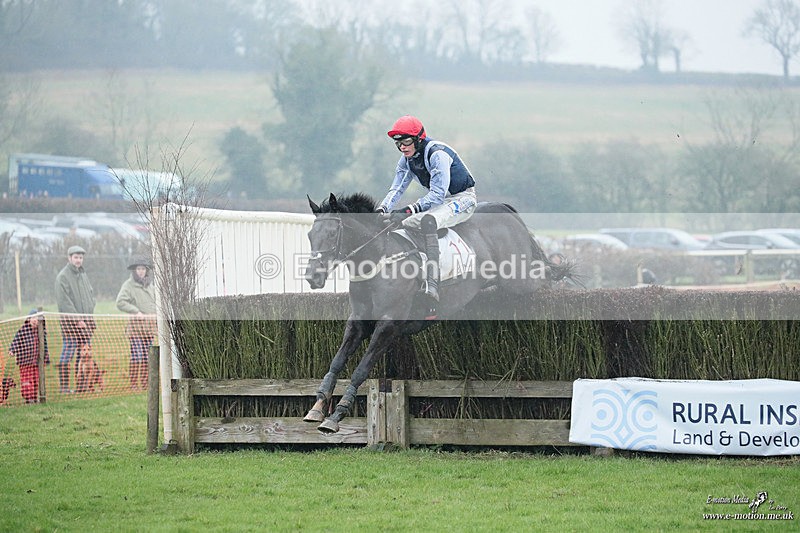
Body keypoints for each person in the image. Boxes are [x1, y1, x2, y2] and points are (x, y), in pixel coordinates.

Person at [377, 115, 478, 309]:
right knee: (406, 223)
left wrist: (408, 209)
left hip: (462, 199)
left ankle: (433, 283)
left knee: (427, 220)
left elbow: (437, 195)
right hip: (441, 202)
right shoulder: (406, 160)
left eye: (406, 141)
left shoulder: (436, 153)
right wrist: (382, 210)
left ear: (419, 139)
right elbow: (396, 189)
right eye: (398, 143)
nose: (402, 147)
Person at [55, 245, 96, 394]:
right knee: (67, 355)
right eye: (76, 257)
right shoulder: (63, 277)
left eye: (81, 257)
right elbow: (64, 302)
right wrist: (77, 319)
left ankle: (82, 387)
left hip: (86, 325)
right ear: (69, 258)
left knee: (84, 357)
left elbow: (90, 295)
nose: (79, 260)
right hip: (71, 326)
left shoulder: (83, 274)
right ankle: (64, 387)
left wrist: (91, 310)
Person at [116, 256, 156, 390]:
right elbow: (120, 302)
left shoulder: (151, 286)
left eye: (143, 269)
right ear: (134, 270)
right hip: (136, 329)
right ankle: (133, 384)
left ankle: (145, 384)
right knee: (137, 356)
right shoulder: (128, 286)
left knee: (147, 357)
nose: (140, 271)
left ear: (146, 270)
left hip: (149, 329)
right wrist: (136, 311)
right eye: (138, 269)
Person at [9, 310, 49, 404]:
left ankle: (34, 398)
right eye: (33, 318)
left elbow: (44, 346)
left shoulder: (41, 333)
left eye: (37, 319)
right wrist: (12, 349)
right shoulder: (23, 330)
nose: (35, 320)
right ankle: (28, 398)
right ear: (29, 319)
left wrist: (46, 357)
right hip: (25, 363)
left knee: (36, 381)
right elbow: (16, 340)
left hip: (36, 363)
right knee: (27, 381)